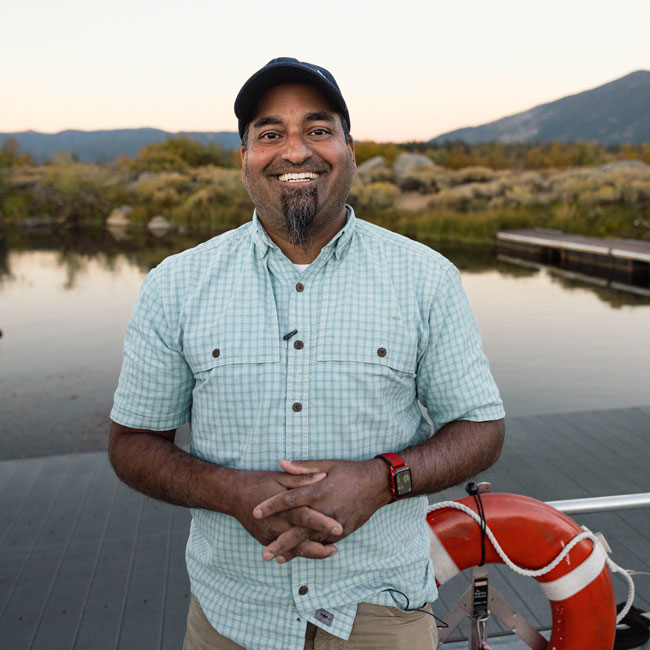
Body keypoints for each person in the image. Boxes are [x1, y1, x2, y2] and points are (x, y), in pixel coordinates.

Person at [108, 57, 505, 650]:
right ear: (244, 157)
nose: (296, 151)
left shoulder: (426, 277)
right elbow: (132, 442)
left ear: (350, 147)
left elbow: (481, 427)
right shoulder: (175, 284)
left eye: (318, 130)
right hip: (231, 617)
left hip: (380, 612)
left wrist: (382, 480)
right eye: (270, 134)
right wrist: (230, 492)